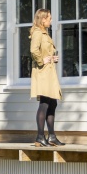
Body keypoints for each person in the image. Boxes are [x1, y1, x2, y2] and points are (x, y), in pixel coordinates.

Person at [29, 8, 64, 147]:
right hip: (43, 73)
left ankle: (52, 136)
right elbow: (33, 50)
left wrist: (51, 58)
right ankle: (40, 136)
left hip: (48, 72)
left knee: (52, 103)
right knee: (44, 104)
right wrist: (41, 60)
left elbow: (44, 51)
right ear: (43, 19)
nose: (51, 20)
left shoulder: (44, 33)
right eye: (49, 18)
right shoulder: (38, 32)